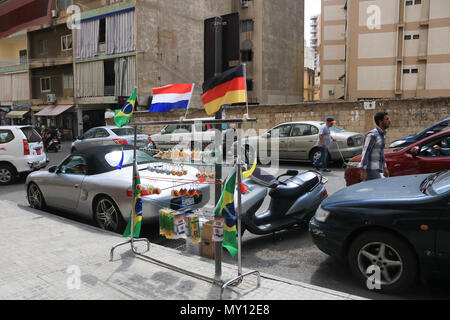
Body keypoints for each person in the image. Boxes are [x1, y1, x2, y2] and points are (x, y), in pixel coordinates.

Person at [359, 111, 391, 181]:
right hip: (370, 169)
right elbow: (365, 152)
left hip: (378, 168)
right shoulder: (372, 135)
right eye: (387, 119)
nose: (389, 121)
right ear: (380, 121)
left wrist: (385, 167)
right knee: (380, 186)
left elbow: (381, 153)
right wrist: (363, 170)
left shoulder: (382, 135)